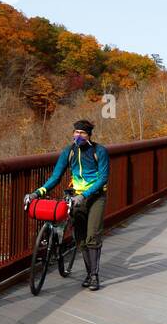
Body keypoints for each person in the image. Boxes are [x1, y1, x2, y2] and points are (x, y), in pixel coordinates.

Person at [33, 119, 110, 290]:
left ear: (89, 135)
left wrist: (85, 195)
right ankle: (89, 274)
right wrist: (38, 192)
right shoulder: (69, 152)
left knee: (92, 237)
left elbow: (103, 178)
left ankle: (95, 276)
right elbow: (55, 177)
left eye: (82, 133)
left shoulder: (100, 151)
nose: (78, 136)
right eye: (76, 132)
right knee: (80, 238)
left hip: (96, 197)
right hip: (76, 198)